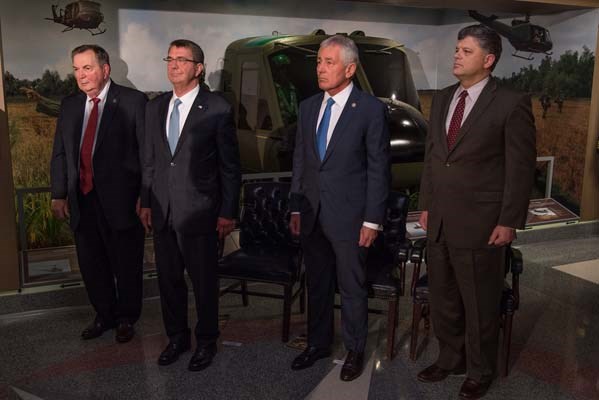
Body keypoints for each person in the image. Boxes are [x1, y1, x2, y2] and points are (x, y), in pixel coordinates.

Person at [417, 25, 536, 399]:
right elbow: (434, 157)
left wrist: (509, 221)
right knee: (444, 296)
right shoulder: (442, 98)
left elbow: (520, 166)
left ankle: (480, 370)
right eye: (456, 49)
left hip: (483, 223)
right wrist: (425, 204)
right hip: (439, 219)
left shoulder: (510, 102)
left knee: (480, 303)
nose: (456, 55)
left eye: (466, 51)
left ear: (488, 60)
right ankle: (451, 358)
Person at [289, 35, 390, 382]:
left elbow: (379, 168)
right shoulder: (307, 107)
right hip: (312, 213)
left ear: (349, 68)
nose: (320, 68)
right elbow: (301, 161)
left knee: (351, 286)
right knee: (316, 283)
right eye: (318, 61)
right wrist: (296, 208)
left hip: (350, 217)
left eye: (328, 62)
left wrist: (372, 221)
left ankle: (354, 349)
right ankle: (317, 344)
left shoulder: (370, 110)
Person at [139, 39, 240, 372]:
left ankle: (207, 341)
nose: (174, 64)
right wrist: (146, 201)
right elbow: (151, 162)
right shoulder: (155, 108)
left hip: (201, 213)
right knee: (168, 281)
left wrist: (228, 211)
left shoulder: (217, 108)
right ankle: (177, 338)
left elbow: (229, 166)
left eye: (183, 60)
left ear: (199, 68)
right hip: (163, 211)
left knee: (203, 282)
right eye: (170, 58)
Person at [50, 44, 147, 343]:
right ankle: (104, 315)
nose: (81, 75)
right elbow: (60, 153)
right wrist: (59, 194)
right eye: (76, 69)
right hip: (83, 200)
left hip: (123, 203)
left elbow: (148, 154)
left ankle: (126, 319)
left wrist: (146, 195)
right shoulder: (69, 105)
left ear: (105, 70)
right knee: (92, 266)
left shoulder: (133, 102)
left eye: (87, 68)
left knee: (127, 264)